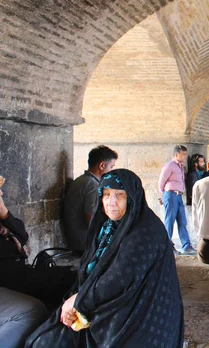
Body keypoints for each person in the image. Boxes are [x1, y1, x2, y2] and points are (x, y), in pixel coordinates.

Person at [26, 169, 185, 348]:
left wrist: (79, 301)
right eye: (106, 194)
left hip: (139, 312)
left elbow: (118, 279)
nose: (111, 202)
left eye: (120, 195)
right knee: (45, 339)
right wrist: (75, 300)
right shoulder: (108, 227)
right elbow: (91, 271)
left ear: (132, 198)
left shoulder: (145, 230)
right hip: (105, 301)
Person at [0, 182, 74, 347]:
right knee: (57, 285)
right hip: (7, 276)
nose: (2, 195)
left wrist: (4, 212)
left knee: (68, 280)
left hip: (17, 271)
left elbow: (22, 236)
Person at [63, 145, 118, 253]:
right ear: (102, 165)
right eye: (111, 167)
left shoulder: (82, 180)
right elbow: (92, 220)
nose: (112, 170)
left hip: (78, 241)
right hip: (85, 244)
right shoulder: (92, 185)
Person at [158, 145, 195, 255]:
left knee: (182, 221)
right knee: (169, 221)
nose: (185, 156)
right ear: (176, 154)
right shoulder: (169, 166)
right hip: (171, 194)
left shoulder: (181, 166)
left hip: (178, 196)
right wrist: (163, 195)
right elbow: (161, 182)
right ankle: (167, 246)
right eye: (183, 154)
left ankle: (186, 246)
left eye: (185, 154)